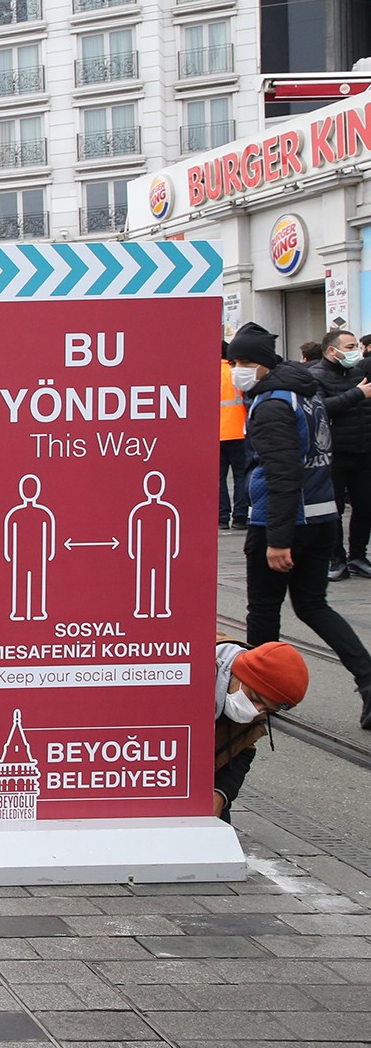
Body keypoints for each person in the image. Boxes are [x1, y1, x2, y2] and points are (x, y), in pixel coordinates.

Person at [228, 321, 371, 729]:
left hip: (285, 520)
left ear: (259, 364)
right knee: (312, 606)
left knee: (264, 611)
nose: (236, 369)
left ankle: (255, 694)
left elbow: (282, 474)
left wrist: (277, 538)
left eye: (241, 362)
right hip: (323, 516)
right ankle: (367, 678)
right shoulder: (303, 394)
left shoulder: (272, 405)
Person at [212, 639, 309, 820]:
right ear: (237, 674)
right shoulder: (188, 674)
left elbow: (242, 750)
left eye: (267, 709)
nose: (255, 711)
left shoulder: (257, 711)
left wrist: (221, 794)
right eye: (254, 697)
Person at [308, 328, 371, 580]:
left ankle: (358, 555)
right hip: (332, 455)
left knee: (365, 507)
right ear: (331, 350)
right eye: (349, 347)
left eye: (356, 345)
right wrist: (357, 394)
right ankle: (336, 558)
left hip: (363, 451)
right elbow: (319, 409)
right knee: (332, 510)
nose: (355, 351)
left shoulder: (359, 373)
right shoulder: (315, 376)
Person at [219, 345, 251, 530]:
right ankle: (240, 516)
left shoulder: (205, 372)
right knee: (241, 476)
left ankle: (222, 518)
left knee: (218, 478)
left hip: (215, 434)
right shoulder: (235, 372)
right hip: (239, 431)